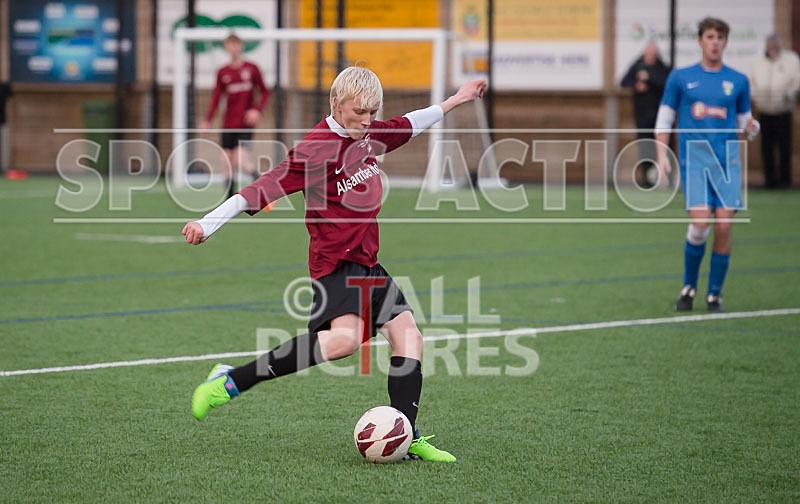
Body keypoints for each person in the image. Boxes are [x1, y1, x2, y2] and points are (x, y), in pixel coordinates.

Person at [184, 66, 487, 462]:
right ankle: (229, 382)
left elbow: (409, 124)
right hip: (336, 267)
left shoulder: (369, 133)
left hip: (368, 263)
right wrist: (206, 224)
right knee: (343, 342)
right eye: (359, 111)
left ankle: (406, 434)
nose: (367, 120)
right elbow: (259, 188)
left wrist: (457, 99)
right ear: (336, 104)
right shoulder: (314, 150)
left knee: (409, 337)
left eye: (373, 112)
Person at [655, 17, 760, 313]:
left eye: (720, 38)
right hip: (695, 162)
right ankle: (688, 286)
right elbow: (665, 118)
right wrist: (661, 156)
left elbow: (746, 123)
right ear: (700, 41)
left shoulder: (738, 81)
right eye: (710, 37)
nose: (715, 43)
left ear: (726, 42)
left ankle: (714, 294)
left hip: (726, 162)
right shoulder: (680, 78)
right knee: (701, 224)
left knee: (724, 226)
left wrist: (752, 128)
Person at [201, 33, 270, 198]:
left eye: (236, 44)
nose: (233, 48)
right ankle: (229, 198)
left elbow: (265, 92)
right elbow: (216, 98)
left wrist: (256, 110)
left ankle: (265, 185)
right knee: (226, 160)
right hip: (228, 123)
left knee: (239, 159)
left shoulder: (251, 68)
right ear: (226, 48)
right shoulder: (222, 72)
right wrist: (207, 121)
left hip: (245, 123)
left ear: (241, 46)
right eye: (230, 45)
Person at [749, 34, 800, 189]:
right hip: (764, 111)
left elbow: (796, 81)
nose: (772, 48)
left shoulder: (791, 60)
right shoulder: (758, 62)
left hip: (783, 111)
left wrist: (788, 95)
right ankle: (769, 180)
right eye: (770, 45)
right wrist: (757, 97)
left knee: (784, 147)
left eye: (775, 45)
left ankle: (785, 180)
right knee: (766, 147)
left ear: (779, 45)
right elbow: (752, 82)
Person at [621, 42, 671, 187]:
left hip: (659, 116)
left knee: (661, 147)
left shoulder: (662, 68)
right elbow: (624, 82)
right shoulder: (637, 66)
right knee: (644, 147)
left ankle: (664, 177)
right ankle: (647, 179)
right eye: (648, 53)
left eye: (652, 54)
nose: (650, 56)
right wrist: (636, 85)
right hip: (642, 115)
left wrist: (649, 78)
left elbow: (665, 83)